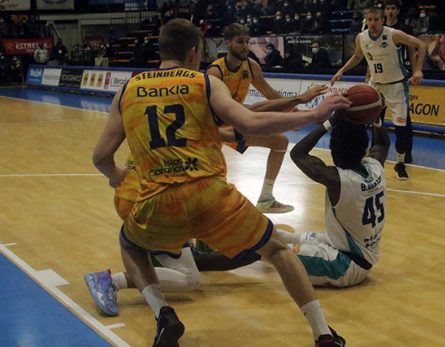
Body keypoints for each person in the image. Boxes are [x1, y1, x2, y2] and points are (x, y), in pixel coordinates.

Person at [91, 18, 349, 347]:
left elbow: (100, 157)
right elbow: (250, 122)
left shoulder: (127, 89)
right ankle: (322, 333)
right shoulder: (204, 82)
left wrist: (117, 176)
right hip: (210, 195)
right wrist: (314, 115)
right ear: (194, 53)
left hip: (158, 201)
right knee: (276, 250)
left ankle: (163, 314)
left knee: (130, 246)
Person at [85, 85, 330, 315]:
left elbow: (247, 116)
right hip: (155, 199)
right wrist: (304, 108)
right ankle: (112, 279)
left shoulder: (173, 102)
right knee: (191, 277)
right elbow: (250, 116)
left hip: (146, 189)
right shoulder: (204, 91)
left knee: (231, 227)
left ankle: (293, 238)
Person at [206, 23, 322, 213]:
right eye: (240, 42)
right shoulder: (215, 72)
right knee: (213, 178)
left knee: (280, 142)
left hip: (237, 123)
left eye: (247, 41)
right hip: (214, 128)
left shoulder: (251, 66)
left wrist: (293, 113)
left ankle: (266, 199)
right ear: (227, 43)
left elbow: (269, 92)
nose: (245, 46)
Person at [284, 113, 389, 287]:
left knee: (276, 252)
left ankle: (234, 253)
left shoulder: (338, 180)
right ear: (364, 150)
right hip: (352, 253)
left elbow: (297, 153)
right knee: (289, 237)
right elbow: (381, 143)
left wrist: (329, 122)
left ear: (333, 153)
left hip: (344, 265)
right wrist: (375, 118)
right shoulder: (375, 167)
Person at [331, 7, 426, 180]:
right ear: (365, 20)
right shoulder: (362, 37)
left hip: (397, 86)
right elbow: (357, 56)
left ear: (382, 20)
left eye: (376, 20)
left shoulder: (394, 34)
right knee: (374, 124)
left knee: (401, 130)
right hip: (376, 86)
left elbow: (421, 44)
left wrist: (418, 70)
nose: (372, 23)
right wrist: (341, 70)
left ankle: (400, 163)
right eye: (369, 20)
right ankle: (373, 162)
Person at [383, 0, 415, 163]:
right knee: (376, 118)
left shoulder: (404, 29)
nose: (390, 11)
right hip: (379, 79)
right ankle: (377, 149)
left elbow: (411, 50)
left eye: (393, 8)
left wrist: (416, 71)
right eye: (387, 8)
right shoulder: (377, 29)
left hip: (398, 78)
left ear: (397, 11)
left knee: (403, 120)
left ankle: (406, 152)